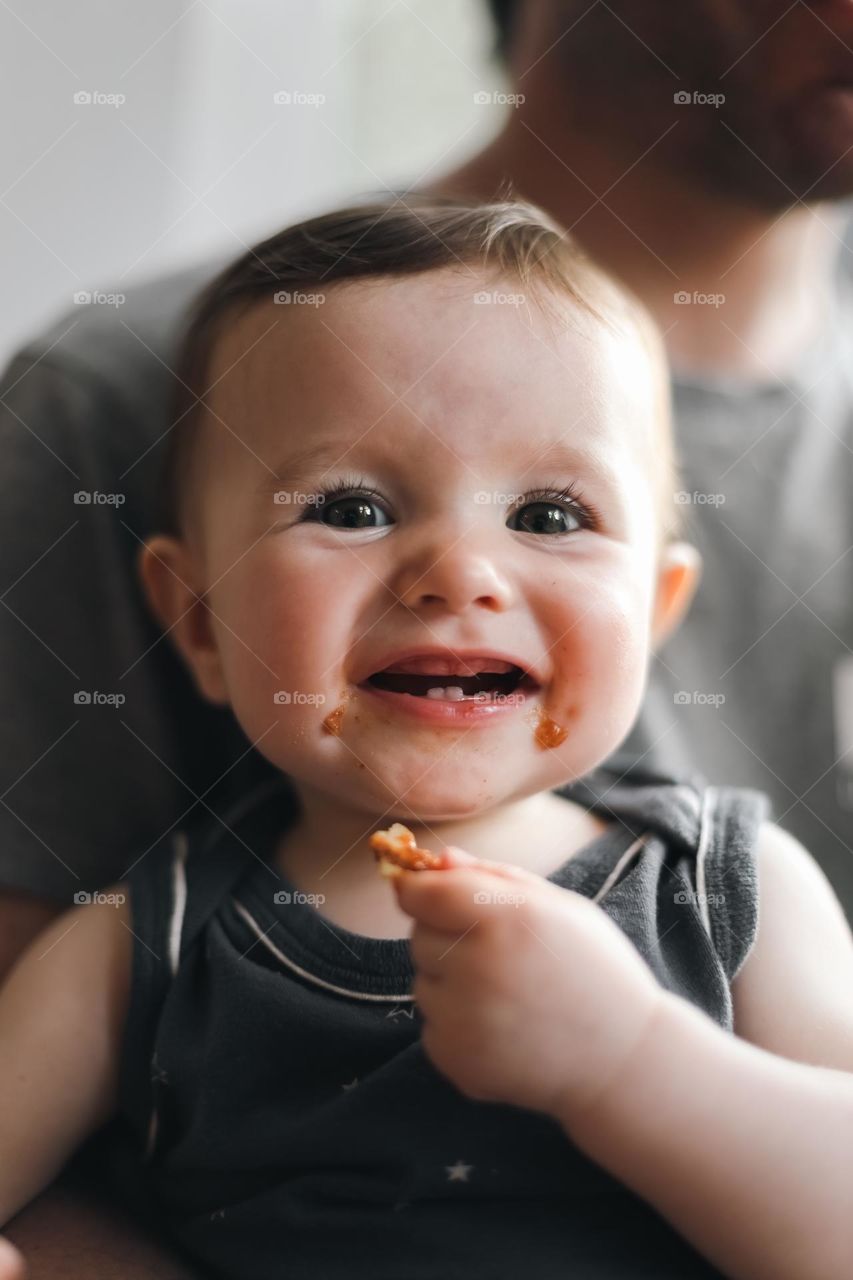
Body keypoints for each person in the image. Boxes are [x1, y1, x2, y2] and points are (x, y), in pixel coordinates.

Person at [3, 1, 853, 1271]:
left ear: (655, 609)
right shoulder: (140, 945)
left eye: (551, 514)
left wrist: (631, 1061)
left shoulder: (726, 892)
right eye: (348, 507)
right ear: (196, 619)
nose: (457, 571)